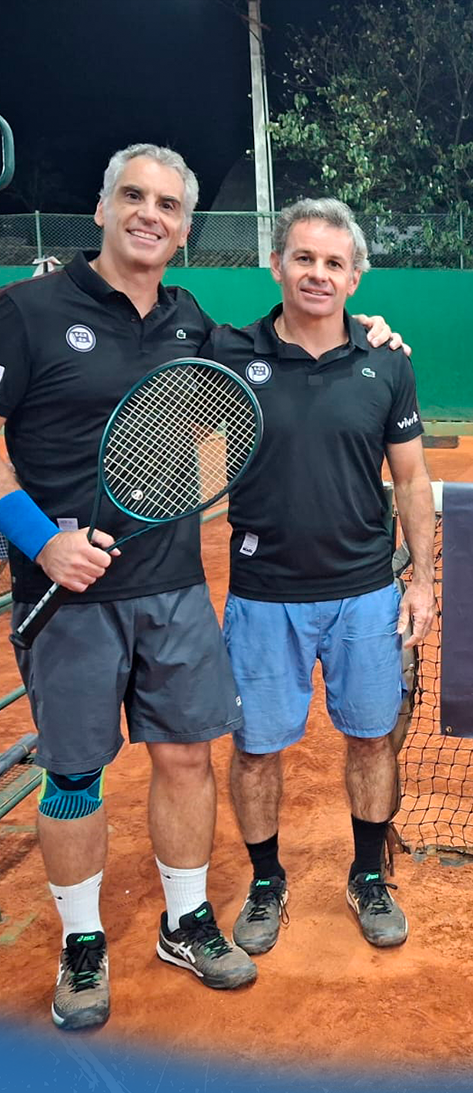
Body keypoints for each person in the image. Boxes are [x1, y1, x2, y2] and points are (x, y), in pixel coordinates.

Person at [0, 146, 399, 1030]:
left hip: (174, 586)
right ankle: (81, 942)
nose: (151, 214)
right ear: (100, 209)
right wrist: (40, 540)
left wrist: (369, 329)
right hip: (69, 593)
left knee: (187, 758)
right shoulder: (27, 311)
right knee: (75, 775)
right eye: (133, 197)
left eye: (169, 204)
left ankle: (184, 921)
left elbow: (286, 355)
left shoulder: (192, 325)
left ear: (184, 228)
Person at [202, 198, 435, 958]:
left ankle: (367, 876)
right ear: (277, 265)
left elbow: (411, 479)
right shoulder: (228, 353)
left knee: (372, 739)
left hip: (365, 592)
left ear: (355, 278)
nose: (318, 274)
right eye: (304, 258)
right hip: (263, 596)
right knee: (255, 750)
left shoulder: (387, 361)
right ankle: (267, 881)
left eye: (335, 263)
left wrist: (421, 579)